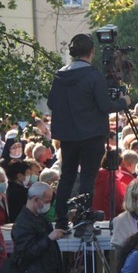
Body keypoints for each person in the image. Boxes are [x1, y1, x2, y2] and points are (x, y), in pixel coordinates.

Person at [47, 33, 130, 230]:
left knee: (67, 176)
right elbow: (104, 106)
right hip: (91, 134)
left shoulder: (60, 75)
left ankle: (60, 218)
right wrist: (123, 102)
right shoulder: (94, 76)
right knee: (87, 177)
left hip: (68, 135)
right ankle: (84, 216)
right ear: (92, 52)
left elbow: (51, 103)